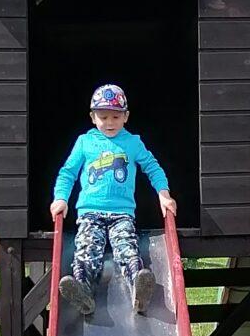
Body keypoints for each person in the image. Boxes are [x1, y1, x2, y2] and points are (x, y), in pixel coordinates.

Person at [50, 83, 176, 316]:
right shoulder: (85, 142)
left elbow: (153, 167)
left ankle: (138, 287)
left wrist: (163, 193)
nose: (109, 122)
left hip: (122, 213)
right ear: (92, 117)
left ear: (126, 116)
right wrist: (61, 198)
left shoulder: (133, 143)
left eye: (116, 117)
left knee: (127, 247)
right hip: (90, 212)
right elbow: (68, 172)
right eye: (103, 116)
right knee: (87, 249)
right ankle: (83, 291)